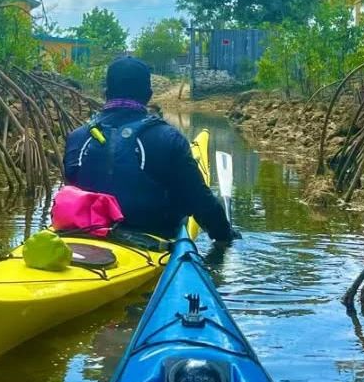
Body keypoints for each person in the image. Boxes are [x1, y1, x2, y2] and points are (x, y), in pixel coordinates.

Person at [63, 56, 239, 245]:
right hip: (149, 241)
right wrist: (225, 236)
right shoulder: (169, 139)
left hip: (81, 238)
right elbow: (199, 201)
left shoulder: (77, 138)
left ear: (106, 93)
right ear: (149, 95)